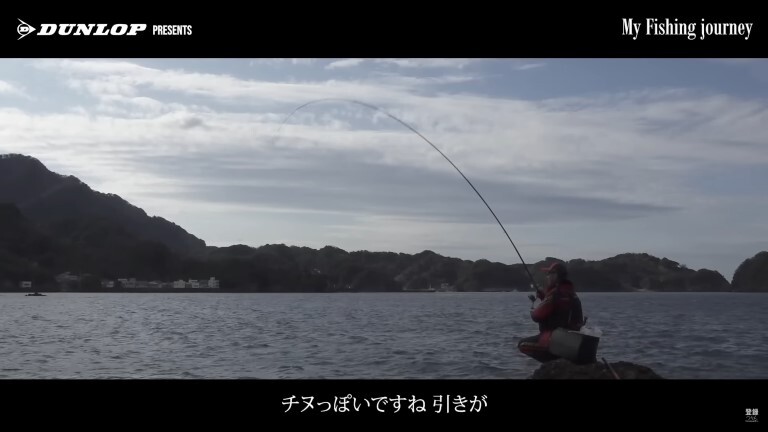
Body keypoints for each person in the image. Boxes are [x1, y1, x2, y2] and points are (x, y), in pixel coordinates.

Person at [518, 261, 585, 362]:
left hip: (554, 339)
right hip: (571, 341)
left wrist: (533, 308)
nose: (547, 277)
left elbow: (537, 316)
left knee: (522, 345)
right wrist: (544, 297)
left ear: (556, 275)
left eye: (549, 274)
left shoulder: (554, 295)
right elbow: (558, 307)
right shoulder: (572, 294)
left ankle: (552, 363)